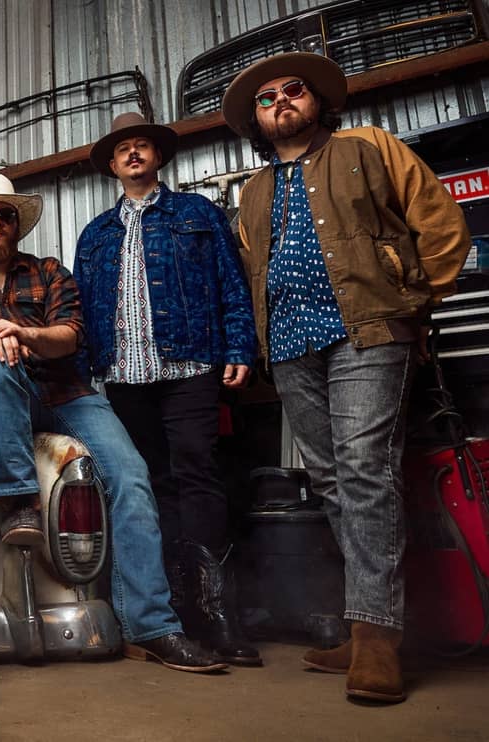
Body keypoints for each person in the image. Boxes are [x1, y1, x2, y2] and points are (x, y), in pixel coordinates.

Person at [221, 52, 471, 703]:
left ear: (317, 100)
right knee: (331, 479)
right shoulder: (253, 191)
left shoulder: (369, 147)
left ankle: (376, 637)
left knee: (364, 469)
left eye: (292, 90)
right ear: (255, 119)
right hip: (289, 346)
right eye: (266, 97)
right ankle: (366, 623)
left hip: (367, 330)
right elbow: (251, 269)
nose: (281, 100)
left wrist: (415, 303)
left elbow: (441, 225)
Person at [0, 172, 226, 673]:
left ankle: (150, 626)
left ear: (16, 224)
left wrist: (22, 332)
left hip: (67, 393)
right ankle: (19, 504)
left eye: (5, 214)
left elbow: (70, 335)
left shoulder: (48, 271)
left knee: (131, 478)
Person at [73, 113, 260, 666]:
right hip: (124, 376)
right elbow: (83, 309)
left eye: (141, 146)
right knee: (148, 485)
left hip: (189, 366)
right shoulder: (96, 233)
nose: (133, 154)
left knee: (199, 474)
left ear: (157, 157)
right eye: (123, 150)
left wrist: (240, 347)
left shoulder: (196, 213)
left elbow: (232, 282)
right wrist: (82, 375)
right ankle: (170, 611)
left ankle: (215, 613)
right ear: (112, 166)